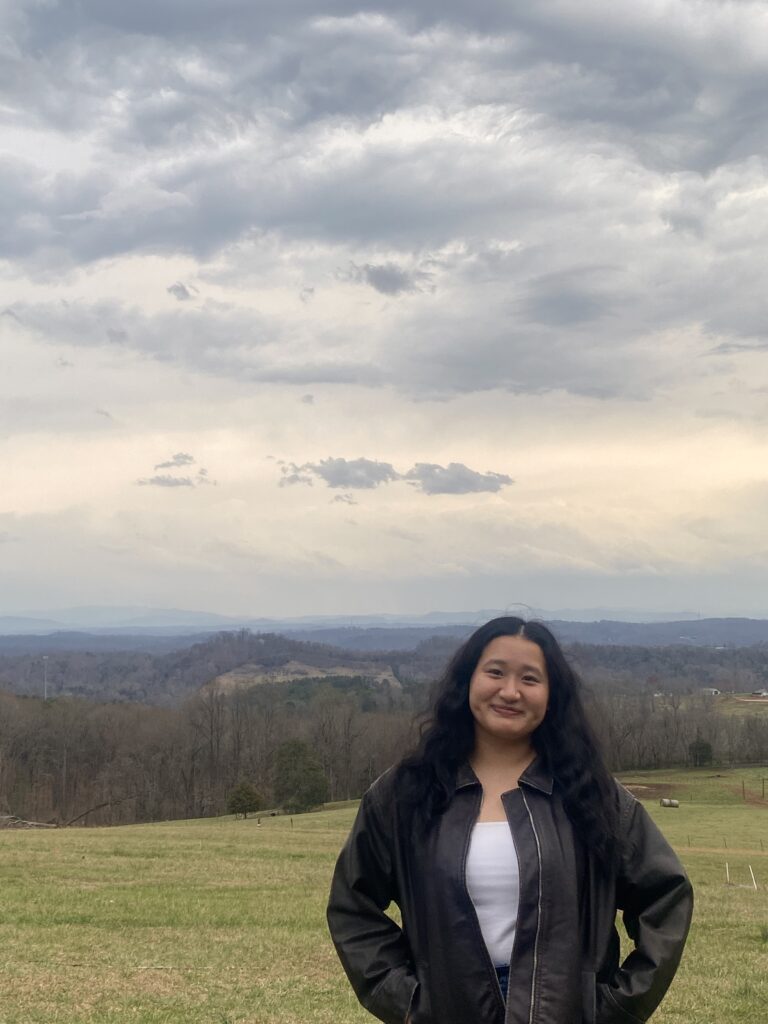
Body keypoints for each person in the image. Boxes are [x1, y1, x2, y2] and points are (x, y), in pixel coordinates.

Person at [327, 616, 693, 1024]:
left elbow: (665, 898)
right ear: (468, 680)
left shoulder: (591, 795)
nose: (510, 691)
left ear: (551, 695)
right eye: (495, 672)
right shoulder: (407, 793)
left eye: (530, 679)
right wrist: (408, 1002)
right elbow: (352, 905)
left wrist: (614, 1007)